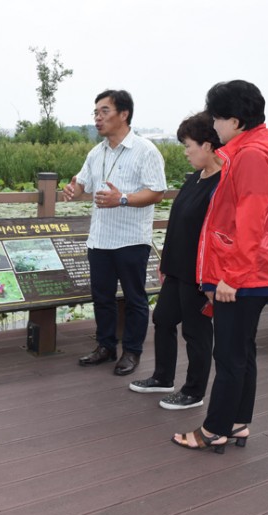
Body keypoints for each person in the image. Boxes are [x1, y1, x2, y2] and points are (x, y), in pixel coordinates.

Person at [173, 80, 268, 452]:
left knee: (228, 355)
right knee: (242, 351)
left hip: (243, 276)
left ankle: (214, 429)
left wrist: (230, 277)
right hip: (250, 273)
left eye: (217, 117)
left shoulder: (252, 157)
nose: (213, 125)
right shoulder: (249, 151)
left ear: (236, 120)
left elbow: (251, 224)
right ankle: (239, 421)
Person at [64, 89, 167, 376]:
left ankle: (131, 352)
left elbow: (157, 192)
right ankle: (106, 346)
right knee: (102, 297)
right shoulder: (96, 153)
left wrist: (122, 198)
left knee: (135, 298)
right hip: (99, 239)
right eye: (96, 112)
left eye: (104, 111)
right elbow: (81, 182)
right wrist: (73, 190)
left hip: (131, 239)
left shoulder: (145, 150)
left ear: (124, 114)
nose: (98, 118)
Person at [129, 112, 221, 409]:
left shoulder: (222, 184)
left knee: (195, 330)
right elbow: (178, 221)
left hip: (199, 271)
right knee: (163, 319)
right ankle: (163, 377)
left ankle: (194, 391)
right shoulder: (195, 178)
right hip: (176, 265)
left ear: (207, 145)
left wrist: (212, 275)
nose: (185, 152)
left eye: (189, 145)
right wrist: (164, 261)